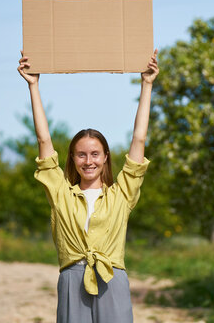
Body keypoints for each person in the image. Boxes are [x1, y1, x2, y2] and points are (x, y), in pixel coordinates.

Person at [17, 49, 159, 323]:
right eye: (81, 154)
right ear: (72, 158)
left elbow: (139, 140)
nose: (88, 161)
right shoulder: (61, 194)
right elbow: (43, 140)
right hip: (72, 280)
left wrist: (147, 84)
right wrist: (33, 86)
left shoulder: (121, 194)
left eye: (95, 154)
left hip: (112, 278)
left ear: (106, 158)